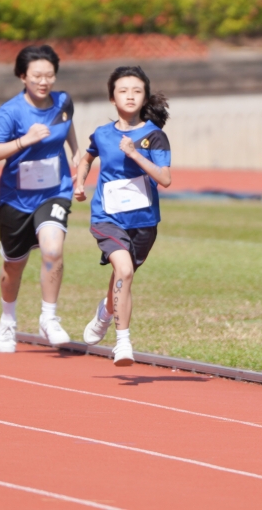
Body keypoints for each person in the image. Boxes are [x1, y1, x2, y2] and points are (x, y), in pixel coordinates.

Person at [0, 45, 80, 353]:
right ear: (22, 76)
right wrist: (25, 140)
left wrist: (76, 153)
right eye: (37, 75)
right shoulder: (11, 112)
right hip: (16, 199)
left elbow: (67, 125)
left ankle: (48, 318)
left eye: (49, 75)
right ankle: (8, 320)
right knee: (14, 266)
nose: (44, 81)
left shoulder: (63, 101)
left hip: (55, 191)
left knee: (53, 250)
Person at [74, 66, 172, 366]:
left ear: (145, 98)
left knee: (123, 275)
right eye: (123, 91)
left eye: (137, 91)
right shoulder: (102, 134)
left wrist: (134, 153)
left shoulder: (154, 136)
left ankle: (105, 312)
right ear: (112, 97)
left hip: (143, 222)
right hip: (107, 217)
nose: (130, 96)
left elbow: (164, 179)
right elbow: (86, 158)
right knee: (125, 271)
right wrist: (79, 183)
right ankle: (123, 343)